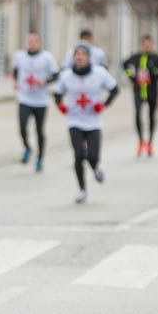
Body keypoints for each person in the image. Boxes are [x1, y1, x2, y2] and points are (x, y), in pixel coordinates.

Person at [55, 45, 119, 203]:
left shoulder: (99, 73)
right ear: (73, 58)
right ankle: (82, 189)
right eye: (77, 54)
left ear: (89, 57)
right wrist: (61, 106)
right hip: (74, 121)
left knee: (93, 156)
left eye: (83, 54)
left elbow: (115, 89)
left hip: (93, 122)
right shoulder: (67, 75)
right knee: (78, 155)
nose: (80, 57)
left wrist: (104, 105)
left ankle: (95, 168)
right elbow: (57, 93)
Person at [10, 32, 58, 171]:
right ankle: (27, 148)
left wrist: (45, 81)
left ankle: (40, 159)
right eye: (30, 41)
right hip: (24, 98)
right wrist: (16, 81)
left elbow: (56, 75)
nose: (32, 43)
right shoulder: (19, 56)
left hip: (40, 100)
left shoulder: (47, 57)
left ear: (39, 43)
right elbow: (16, 70)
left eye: (35, 41)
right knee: (22, 128)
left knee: (39, 131)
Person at [122, 35, 158, 157]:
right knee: (138, 114)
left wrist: (156, 74)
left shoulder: (157, 58)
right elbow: (125, 65)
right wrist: (132, 77)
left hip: (152, 91)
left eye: (149, 44)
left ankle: (150, 142)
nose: (147, 46)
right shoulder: (136, 57)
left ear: (152, 44)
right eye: (144, 44)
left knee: (151, 116)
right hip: (138, 90)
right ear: (141, 45)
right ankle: (140, 141)